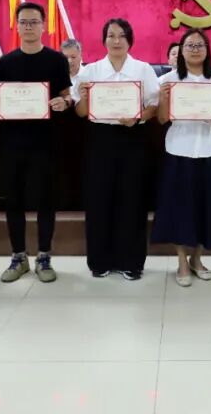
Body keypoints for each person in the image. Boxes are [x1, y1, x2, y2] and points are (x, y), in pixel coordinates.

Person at [0, 2, 72, 284]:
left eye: (34, 22)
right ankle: (18, 257)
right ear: (17, 26)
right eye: (24, 22)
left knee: (46, 200)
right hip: (12, 142)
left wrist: (65, 102)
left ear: (44, 25)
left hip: (46, 141)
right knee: (14, 200)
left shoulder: (56, 60)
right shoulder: (6, 62)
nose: (29, 26)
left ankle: (44, 256)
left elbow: (67, 95)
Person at [74, 19, 159, 280]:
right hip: (101, 139)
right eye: (111, 36)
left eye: (122, 36)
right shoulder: (91, 71)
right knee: (99, 199)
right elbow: (81, 112)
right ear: (104, 40)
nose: (116, 41)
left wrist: (138, 117)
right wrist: (85, 96)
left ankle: (131, 261)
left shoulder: (143, 69)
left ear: (130, 40)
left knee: (132, 199)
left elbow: (153, 105)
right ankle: (100, 261)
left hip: (133, 137)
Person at [153, 28, 211, 287]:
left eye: (200, 45)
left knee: (205, 207)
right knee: (179, 208)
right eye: (190, 45)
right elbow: (162, 119)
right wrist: (164, 99)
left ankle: (197, 258)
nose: (195, 49)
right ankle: (181, 261)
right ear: (181, 50)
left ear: (207, 50)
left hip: (209, 148)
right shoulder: (168, 79)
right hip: (179, 149)